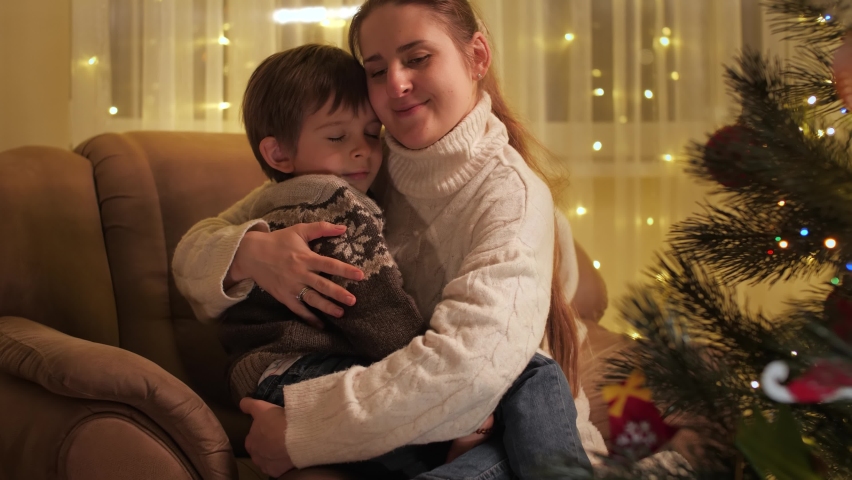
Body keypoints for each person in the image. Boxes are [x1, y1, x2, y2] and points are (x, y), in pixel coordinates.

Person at [172, 0, 608, 477]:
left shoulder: (511, 196)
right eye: (376, 70)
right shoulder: (359, 169)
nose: (396, 84)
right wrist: (250, 253)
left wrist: (303, 429)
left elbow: (466, 371)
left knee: (529, 388)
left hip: (499, 426)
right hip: (411, 415)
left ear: (477, 56)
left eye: (417, 59)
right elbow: (196, 247)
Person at [218, 43, 495, 478]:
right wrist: (441, 394)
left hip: (263, 377)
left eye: (371, 133)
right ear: (278, 154)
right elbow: (376, 308)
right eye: (336, 137)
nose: (362, 150)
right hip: (303, 373)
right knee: (414, 419)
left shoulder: (269, 203)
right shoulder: (333, 202)